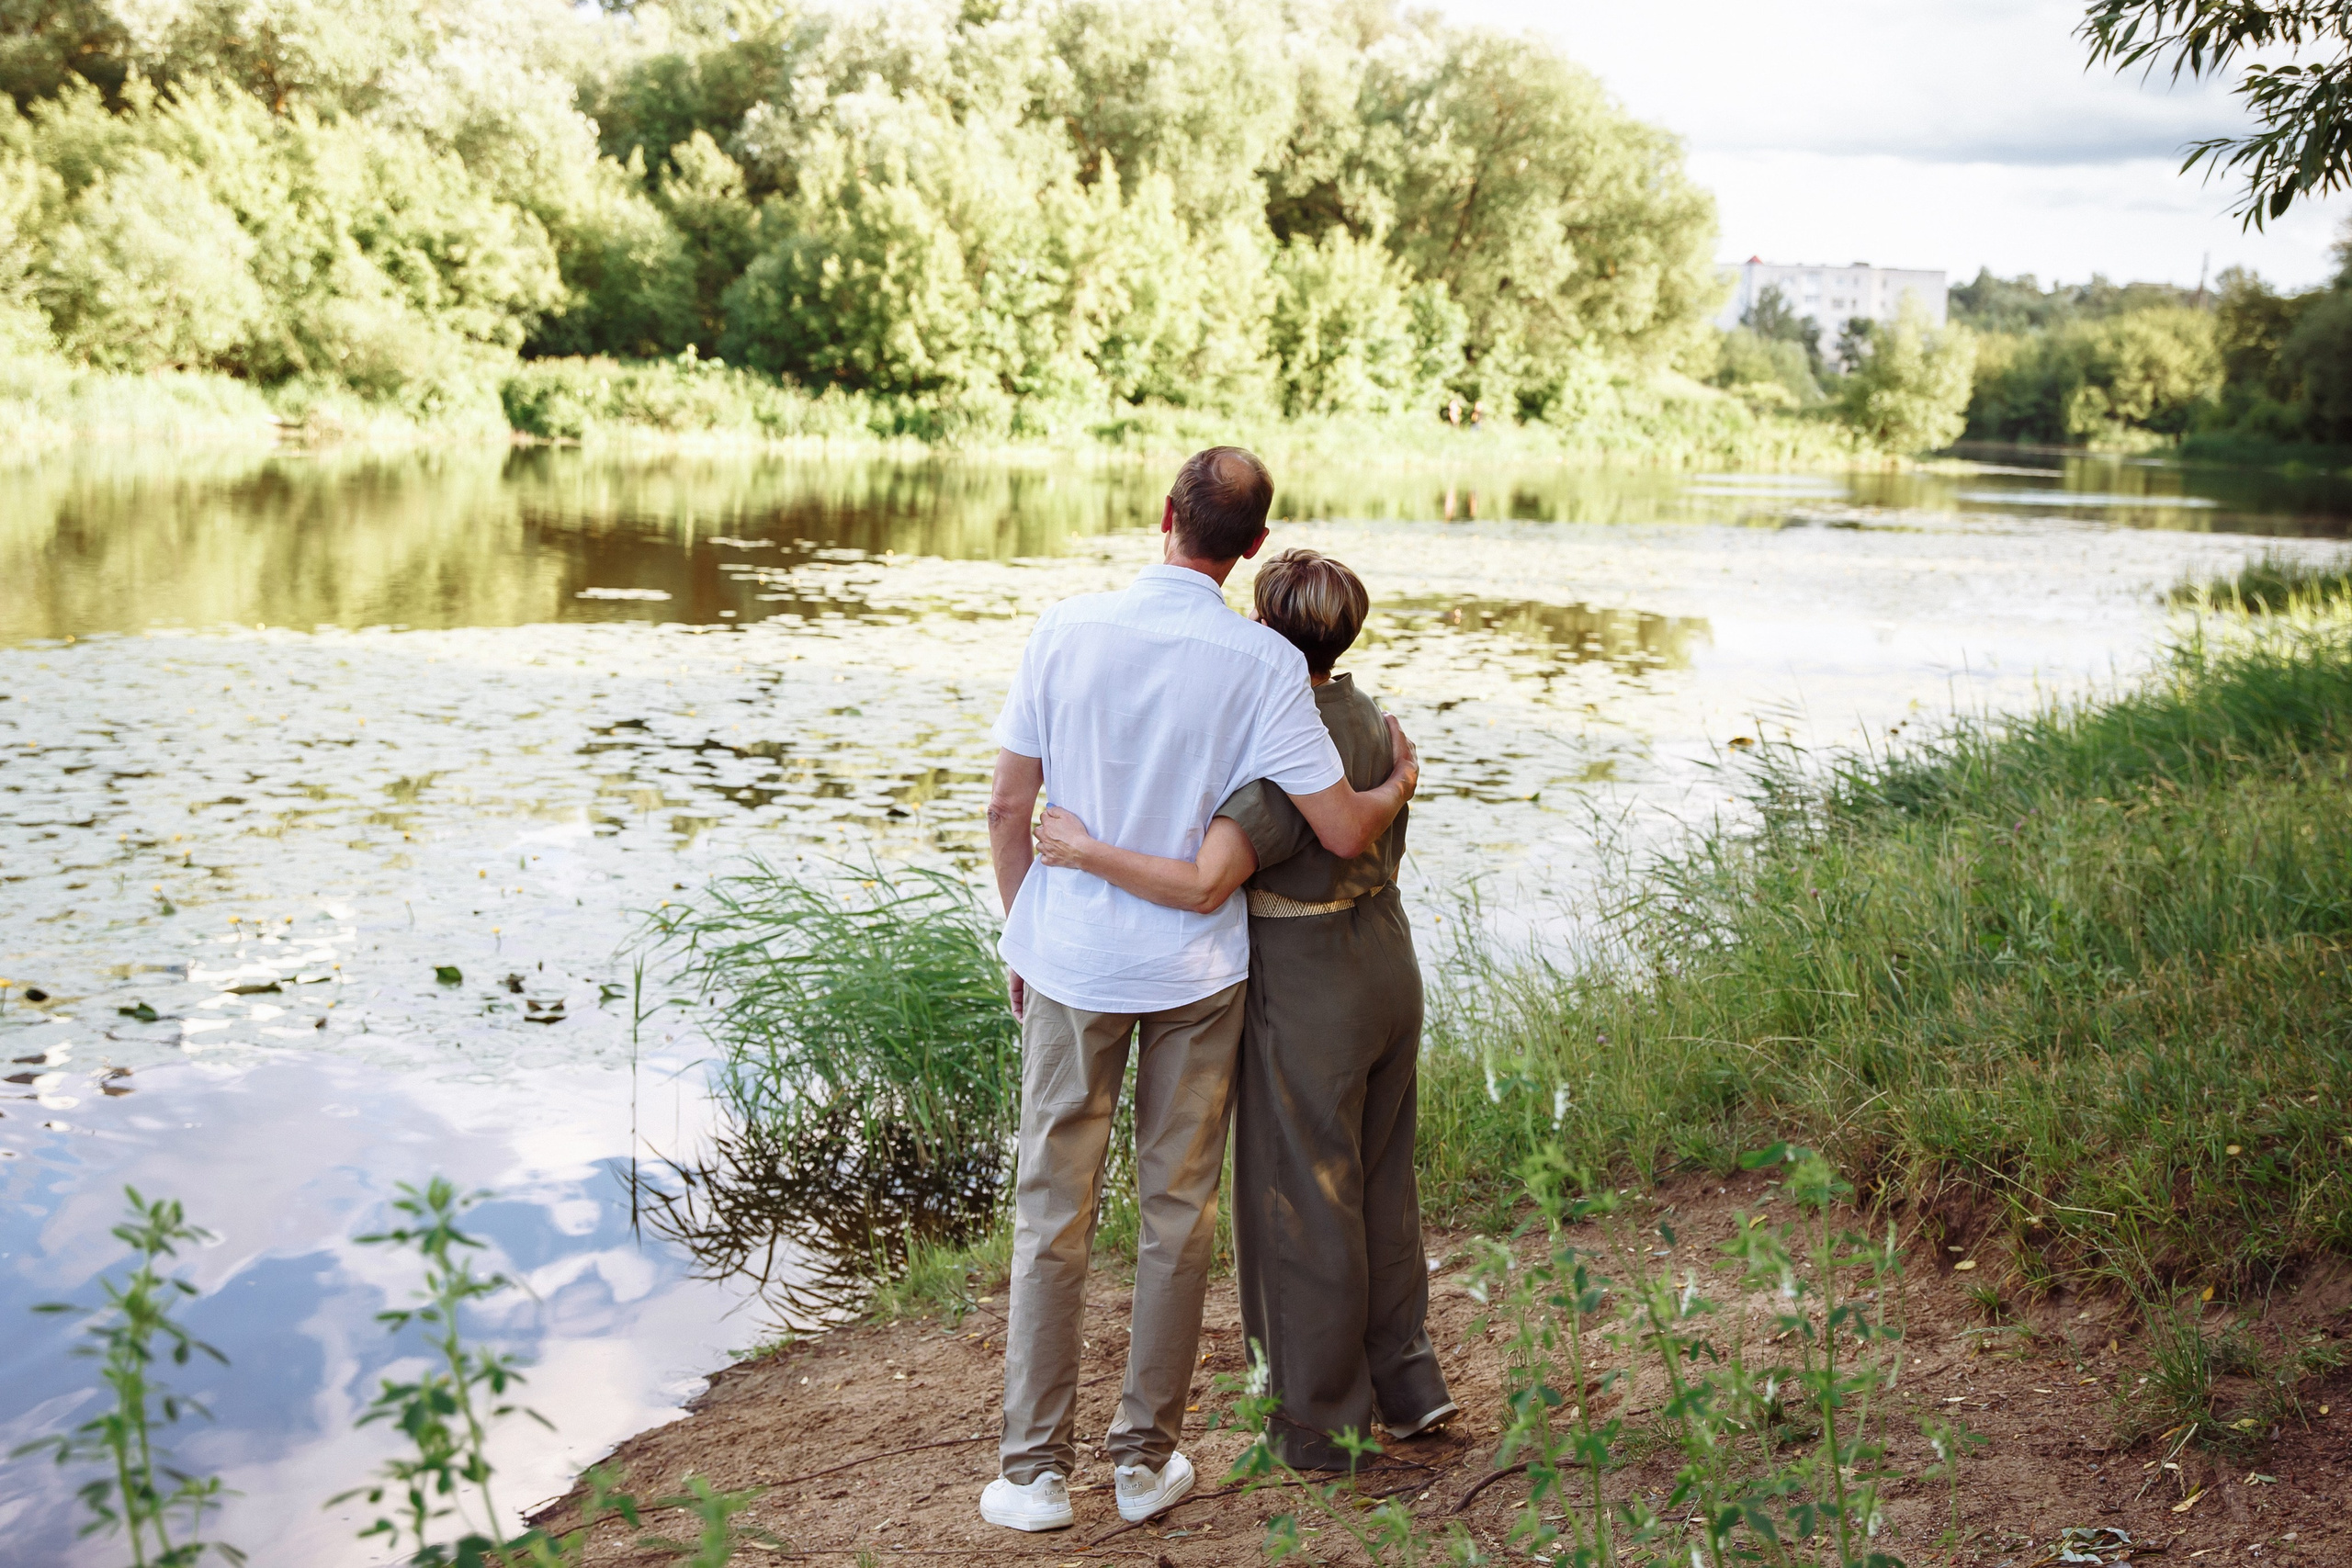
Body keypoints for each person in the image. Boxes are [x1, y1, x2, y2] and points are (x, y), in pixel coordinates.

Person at [980, 450, 1422, 1533]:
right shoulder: (1264, 666)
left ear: (1164, 515)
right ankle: (1143, 1463)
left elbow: (1006, 809)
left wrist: (1023, 931)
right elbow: (1338, 824)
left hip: (1076, 963)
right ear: (1253, 545)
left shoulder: (1064, 628)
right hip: (1196, 974)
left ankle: (1035, 1473)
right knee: (1177, 1214)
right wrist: (1399, 777)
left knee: (1052, 1212)